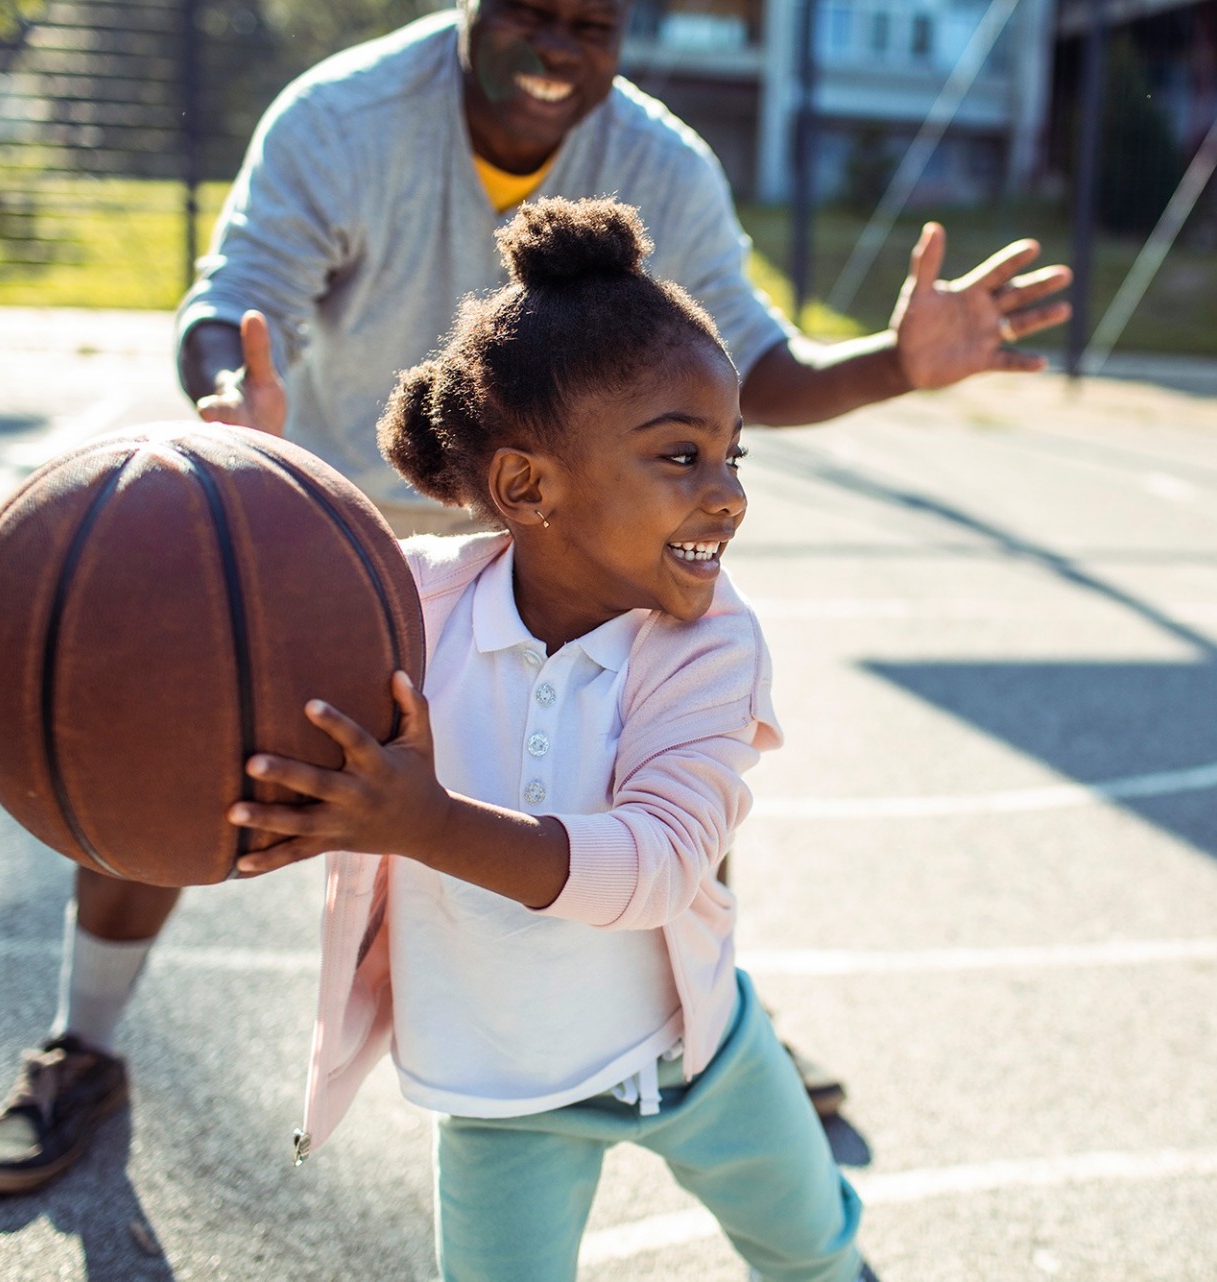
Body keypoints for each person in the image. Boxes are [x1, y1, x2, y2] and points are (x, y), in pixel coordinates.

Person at [0, 0, 1070, 1193]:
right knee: (184, 727)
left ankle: (711, 1026)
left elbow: (754, 362)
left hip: (589, 529)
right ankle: (85, 1041)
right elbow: (236, 296)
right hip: (350, 527)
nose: (562, 48)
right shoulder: (344, 117)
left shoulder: (660, 160)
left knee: (665, 764)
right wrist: (236, 398)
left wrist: (895, 362)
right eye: (535, 16)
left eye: (593, 26)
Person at [230, 196, 870, 1280]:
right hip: (501, 1090)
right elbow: (273, 621)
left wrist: (426, 823)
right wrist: (243, 490)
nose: (726, 496)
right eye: (682, 457)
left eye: (733, 457)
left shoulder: (711, 646)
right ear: (528, 486)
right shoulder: (413, 611)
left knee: (815, 1252)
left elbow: (663, 863)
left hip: (694, 1056)